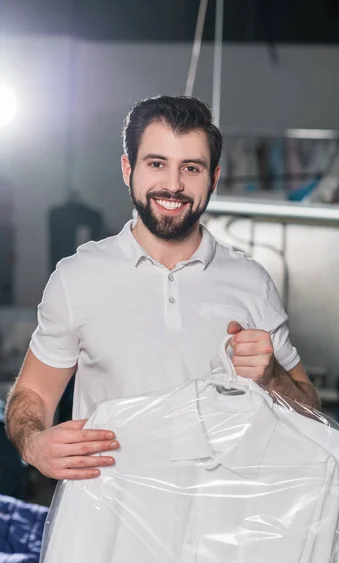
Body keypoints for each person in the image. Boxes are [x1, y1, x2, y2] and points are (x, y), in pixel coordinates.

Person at [5, 96, 320, 482]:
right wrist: (34, 444)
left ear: (214, 178)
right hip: (102, 524)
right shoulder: (77, 277)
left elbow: (312, 415)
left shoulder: (252, 282)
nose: (173, 185)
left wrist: (272, 376)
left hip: (216, 528)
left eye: (191, 168)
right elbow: (32, 395)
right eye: (157, 164)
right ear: (128, 169)